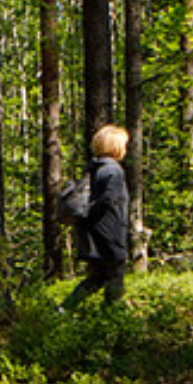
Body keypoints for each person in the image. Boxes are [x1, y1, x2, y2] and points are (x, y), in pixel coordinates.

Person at [67, 125, 131, 308]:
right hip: (110, 231)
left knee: (96, 277)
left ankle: (63, 310)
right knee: (116, 274)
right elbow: (109, 199)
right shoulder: (114, 170)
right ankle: (112, 316)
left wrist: (89, 219)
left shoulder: (94, 168)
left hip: (92, 230)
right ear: (116, 147)